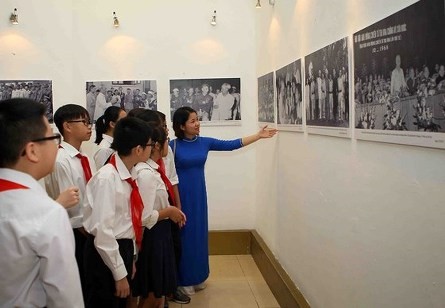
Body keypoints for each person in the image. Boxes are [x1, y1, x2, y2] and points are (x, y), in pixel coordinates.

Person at [170, 106, 277, 295]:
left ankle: (198, 276)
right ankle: (182, 279)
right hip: (180, 196)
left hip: (199, 196)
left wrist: (258, 135)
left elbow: (232, 144)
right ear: (181, 126)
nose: (197, 124)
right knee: (184, 236)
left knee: (198, 235)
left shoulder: (204, 142)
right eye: (193, 121)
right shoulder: (172, 146)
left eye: (198, 119)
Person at [0, 98, 83, 307]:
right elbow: (65, 298)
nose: (57, 146)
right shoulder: (46, 213)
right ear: (32, 151)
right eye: (53, 138)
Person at [83, 117, 154, 307]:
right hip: (104, 254)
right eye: (150, 144)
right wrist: (119, 273)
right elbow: (103, 232)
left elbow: (128, 222)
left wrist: (128, 259)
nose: (152, 148)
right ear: (138, 149)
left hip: (120, 249)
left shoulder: (129, 174)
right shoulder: (107, 178)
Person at [132, 125, 187, 308]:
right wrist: (169, 212)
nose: (168, 145)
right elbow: (144, 217)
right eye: (166, 140)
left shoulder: (153, 170)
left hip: (161, 235)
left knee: (159, 293)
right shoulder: (145, 174)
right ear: (156, 145)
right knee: (151, 296)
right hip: (153, 237)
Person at [44, 104, 94, 298]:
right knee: (79, 284)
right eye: (84, 122)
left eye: (89, 122)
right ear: (67, 126)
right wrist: (91, 235)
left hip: (89, 229)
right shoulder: (60, 159)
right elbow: (71, 207)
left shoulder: (85, 158)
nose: (89, 127)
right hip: (75, 232)